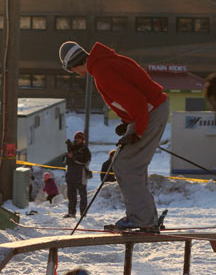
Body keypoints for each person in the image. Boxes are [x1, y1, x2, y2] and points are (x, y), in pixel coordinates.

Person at [58, 41, 168, 232]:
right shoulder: (104, 63)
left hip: (150, 112)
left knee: (126, 164)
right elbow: (135, 92)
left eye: (71, 70)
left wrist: (137, 131)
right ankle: (147, 217)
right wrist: (128, 123)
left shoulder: (102, 72)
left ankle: (142, 219)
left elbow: (137, 101)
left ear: (73, 65)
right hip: (151, 110)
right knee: (132, 163)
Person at [63, 131, 91, 218]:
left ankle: (83, 213)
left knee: (83, 196)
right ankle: (71, 212)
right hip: (71, 175)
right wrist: (68, 156)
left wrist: (73, 157)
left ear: (83, 140)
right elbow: (65, 161)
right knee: (71, 196)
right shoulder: (71, 148)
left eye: (79, 138)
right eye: (76, 138)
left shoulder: (85, 150)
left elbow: (84, 161)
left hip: (81, 176)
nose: (77, 140)